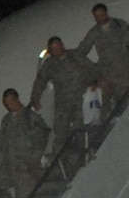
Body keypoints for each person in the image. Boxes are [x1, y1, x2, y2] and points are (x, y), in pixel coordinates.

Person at [29, 37, 92, 177]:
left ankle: (84, 157)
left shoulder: (75, 56)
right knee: (60, 132)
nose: (55, 51)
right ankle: (58, 162)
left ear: (62, 46)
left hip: (79, 100)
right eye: (52, 49)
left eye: (57, 48)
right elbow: (40, 80)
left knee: (80, 128)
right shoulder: (49, 64)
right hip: (63, 103)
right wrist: (35, 97)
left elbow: (90, 68)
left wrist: (94, 82)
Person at [73, 3, 129, 111]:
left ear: (106, 13)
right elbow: (80, 52)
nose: (99, 18)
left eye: (101, 15)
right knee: (102, 105)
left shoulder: (120, 26)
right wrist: (93, 67)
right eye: (96, 16)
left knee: (125, 104)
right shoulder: (94, 32)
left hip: (122, 73)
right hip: (105, 74)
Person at [0, 88, 51, 198]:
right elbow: (2, 146)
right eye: (6, 104)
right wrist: (0, 167)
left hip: (26, 168)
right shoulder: (6, 121)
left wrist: (34, 161)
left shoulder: (31, 118)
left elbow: (41, 140)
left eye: (11, 102)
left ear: (17, 99)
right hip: (10, 168)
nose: (9, 106)